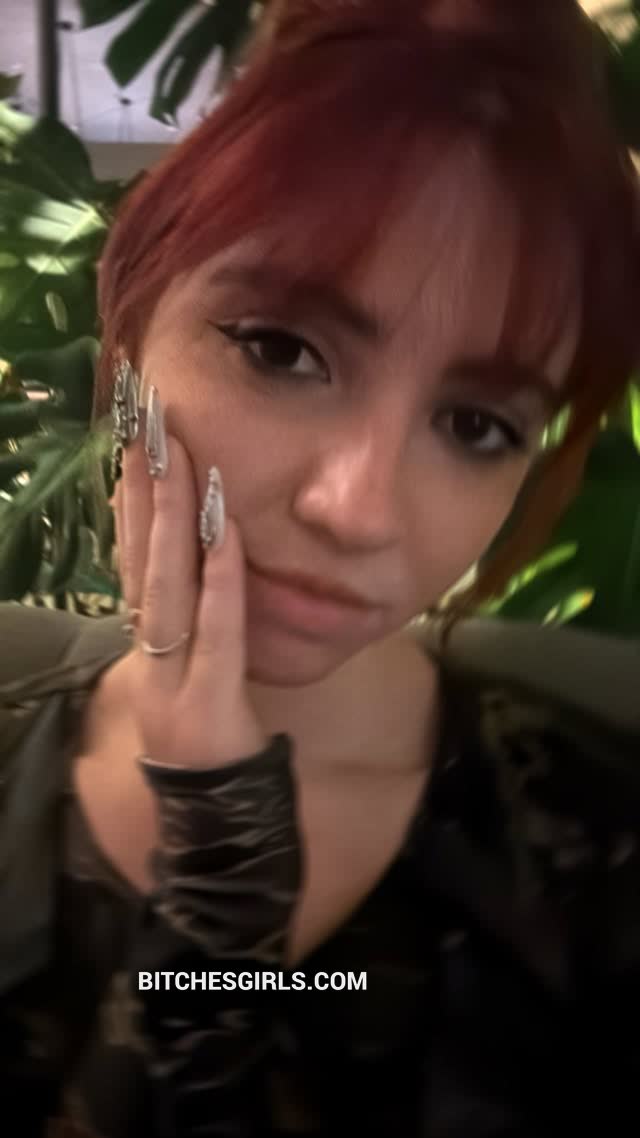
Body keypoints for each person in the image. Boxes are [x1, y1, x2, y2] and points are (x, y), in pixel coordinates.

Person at [2, 0, 640, 1134]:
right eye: (280, 349)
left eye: (476, 425)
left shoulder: (595, 846)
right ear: (130, 335)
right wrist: (223, 890)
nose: (355, 508)